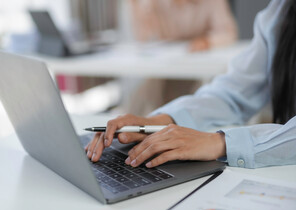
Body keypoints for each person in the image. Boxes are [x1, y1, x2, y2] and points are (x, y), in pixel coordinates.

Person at [85, 0, 296, 169]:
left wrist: (220, 143)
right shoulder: (279, 10)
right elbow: (233, 92)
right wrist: (157, 122)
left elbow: (225, 32)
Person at [124, 0, 238, 116]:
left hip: (200, 65)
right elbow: (143, 39)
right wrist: (138, 8)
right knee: (144, 95)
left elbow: (228, 32)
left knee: (200, 98)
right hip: (167, 67)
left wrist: (207, 41)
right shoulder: (155, 3)